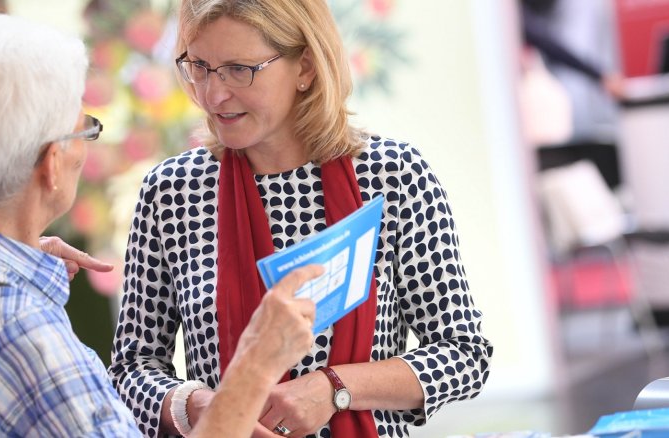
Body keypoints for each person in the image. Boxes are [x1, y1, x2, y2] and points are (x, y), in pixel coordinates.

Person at [0, 14, 323, 437]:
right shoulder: (30, 339)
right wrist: (255, 367)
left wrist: (15, 255)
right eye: (84, 127)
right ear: (52, 163)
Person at [109, 0, 494, 437]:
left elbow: (465, 356)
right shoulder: (172, 192)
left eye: (239, 69)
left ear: (305, 67)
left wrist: (335, 389)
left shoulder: (395, 177)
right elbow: (130, 370)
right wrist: (208, 407)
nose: (213, 94)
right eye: (198, 65)